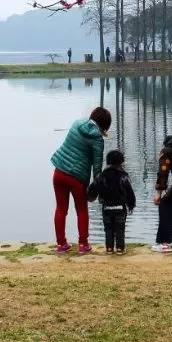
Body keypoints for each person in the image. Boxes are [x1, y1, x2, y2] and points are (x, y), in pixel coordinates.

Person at [50, 106, 110, 254]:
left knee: (60, 209)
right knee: (81, 210)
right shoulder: (97, 139)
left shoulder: (77, 123)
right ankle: (83, 245)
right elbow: (97, 167)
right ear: (104, 125)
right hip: (77, 177)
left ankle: (61, 244)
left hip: (59, 171)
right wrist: (96, 188)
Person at [87, 149, 136, 255]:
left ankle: (109, 248)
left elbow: (93, 189)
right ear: (121, 162)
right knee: (120, 228)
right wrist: (131, 205)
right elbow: (129, 192)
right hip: (120, 207)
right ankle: (120, 248)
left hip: (106, 207)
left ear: (108, 161)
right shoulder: (123, 176)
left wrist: (90, 198)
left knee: (108, 228)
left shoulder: (101, 175)